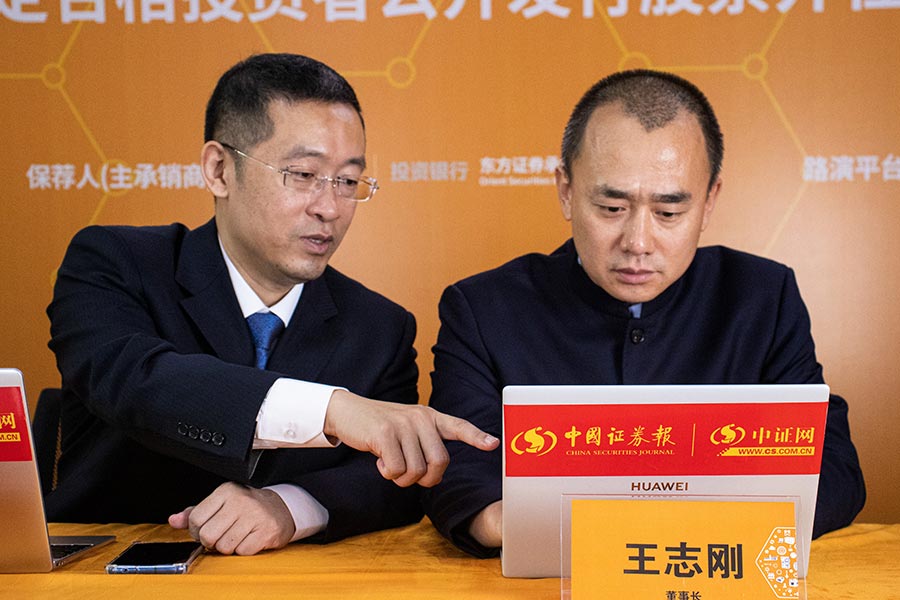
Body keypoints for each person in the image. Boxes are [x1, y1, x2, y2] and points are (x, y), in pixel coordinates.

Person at [45, 53, 497, 556]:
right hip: (109, 566)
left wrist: (290, 506)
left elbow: (393, 478)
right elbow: (136, 380)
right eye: (303, 174)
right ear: (219, 170)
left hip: (295, 579)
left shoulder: (380, 326)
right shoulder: (116, 262)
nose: (329, 208)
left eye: (348, 181)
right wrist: (332, 409)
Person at [422, 69, 866, 557]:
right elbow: (461, 474)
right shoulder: (485, 308)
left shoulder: (762, 298)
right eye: (611, 208)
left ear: (710, 201)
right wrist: (533, 525)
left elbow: (831, 466)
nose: (638, 242)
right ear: (566, 190)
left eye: (668, 213)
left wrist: (672, 527)